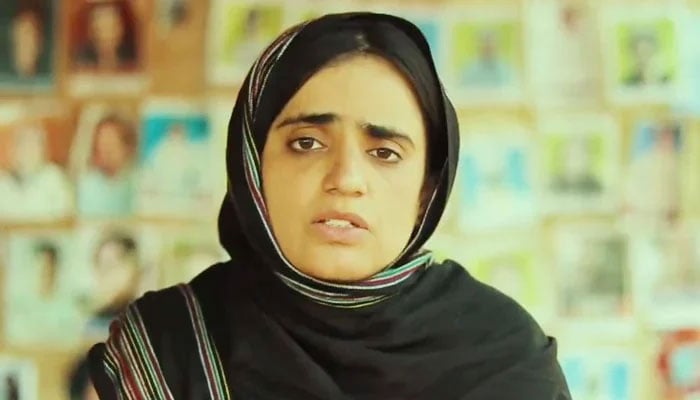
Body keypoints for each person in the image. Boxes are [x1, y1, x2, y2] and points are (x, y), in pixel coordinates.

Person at [87, 12, 571, 399]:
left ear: (427, 190)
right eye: (307, 143)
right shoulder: (170, 348)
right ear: (253, 167)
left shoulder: (507, 359)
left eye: (385, 153)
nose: (345, 179)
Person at [0, 122, 73, 222]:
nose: (28, 150)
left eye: (34, 144)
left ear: (43, 149)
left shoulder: (55, 178)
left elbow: (65, 218)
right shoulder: (3, 182)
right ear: (13, 149)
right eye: (23, 144)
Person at [77, 114, 137, 217]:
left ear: (127, 148)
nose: (106, 151)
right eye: (102, 143)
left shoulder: (138, 182)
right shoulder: (87, 185)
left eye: (111, 143)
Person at [73, 1, 138, 71]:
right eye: (101, 28)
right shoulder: (82, 61)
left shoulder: (132, 57)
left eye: (111, 27)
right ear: (91, 32)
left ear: (121, 29)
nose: (107, 35)